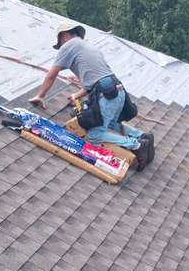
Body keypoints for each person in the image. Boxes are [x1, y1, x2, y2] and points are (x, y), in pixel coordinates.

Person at [29, 20, 154, 169]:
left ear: (64, 35)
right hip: (117, 89)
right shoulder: (88, 47)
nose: (61, 46)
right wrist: (77, 96)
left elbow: (51, 74)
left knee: (95, 134)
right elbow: (94, 82)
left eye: (60, 42)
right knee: (112, 125)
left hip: (106, 94)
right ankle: (141, 136)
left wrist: (41, 95)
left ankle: (137, 145)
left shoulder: (68, 45)